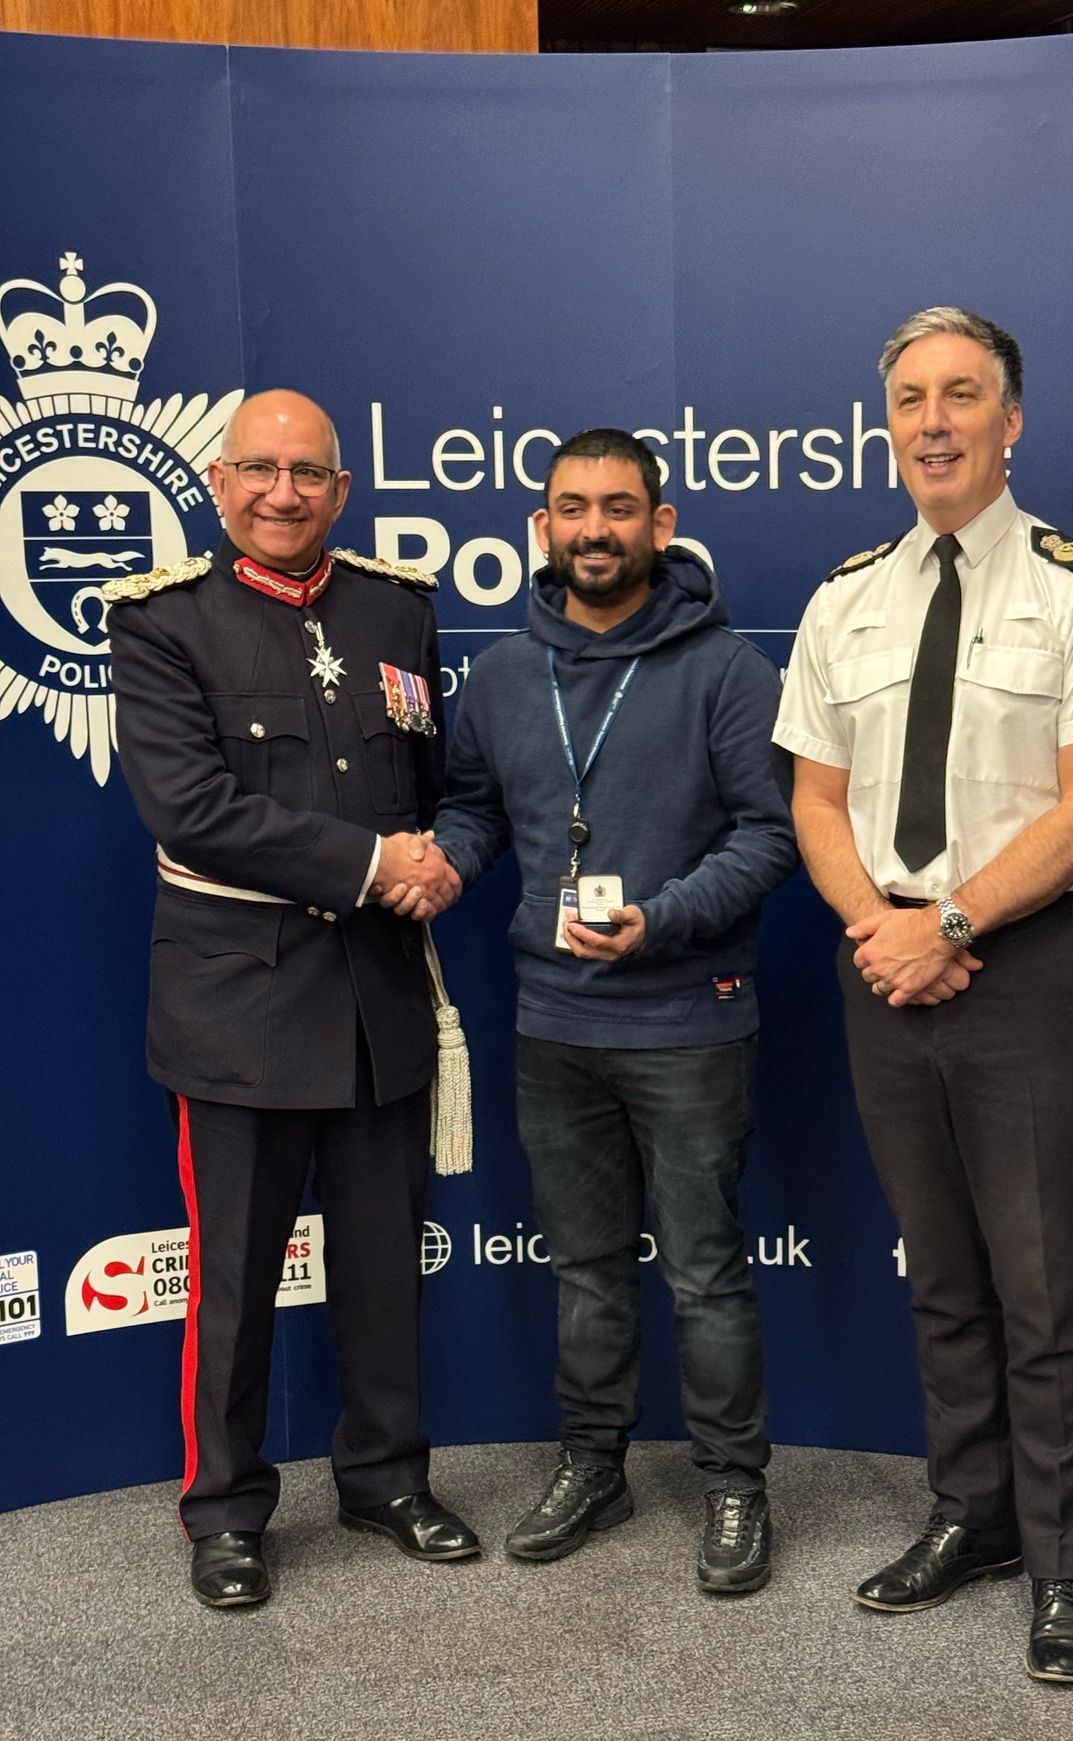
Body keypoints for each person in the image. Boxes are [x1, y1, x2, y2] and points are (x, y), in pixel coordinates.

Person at [774, 309, 1073, 1683]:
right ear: (887, 426)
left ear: (1012, 421)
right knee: (941, 1277)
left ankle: (1061, 1569)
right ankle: (973, 1516)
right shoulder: (845, 599)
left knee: (1044, 1286)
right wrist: (881, 927)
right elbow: (815, 799)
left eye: (963, 397)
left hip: (1029, 971)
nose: (933, 421)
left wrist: (945, 920)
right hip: (884, 963)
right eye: (910, 400)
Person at [106, 388, 479, 1611]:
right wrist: (378, 863)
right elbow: (190, 810)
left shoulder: (398, 611)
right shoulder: (165, 624)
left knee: (382, 1267)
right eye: (259, 471)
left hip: (377, 999)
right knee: (234, 1284)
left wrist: (438, 857)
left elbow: (436, 786)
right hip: (241, 1010)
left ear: (342, 488)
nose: (283, 493)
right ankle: (225, 1510)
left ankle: (384, 1477)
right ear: (219, 485)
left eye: (309, 473)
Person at [424, 428, 796, 1595]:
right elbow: (480, 811)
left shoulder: (727, 667)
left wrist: (664, 915)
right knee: (584, 1268)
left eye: (619, 508)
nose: (595, 529)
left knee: (703, 1269)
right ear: (543, 527)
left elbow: (771, 834)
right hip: (555, 1022)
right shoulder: (497, 672)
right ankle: (597, 1461)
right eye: (573, 508)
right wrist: (438, 860)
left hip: (688, 1015)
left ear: (662, 523)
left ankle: (736, 1482)